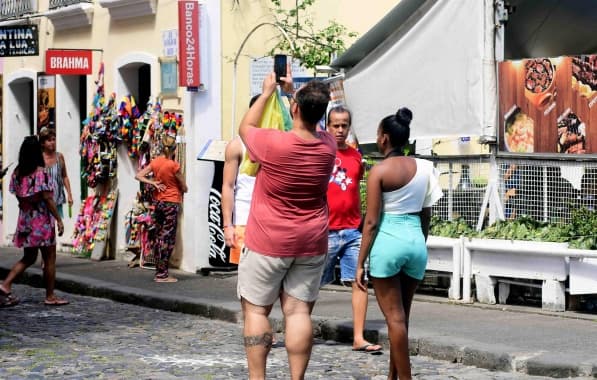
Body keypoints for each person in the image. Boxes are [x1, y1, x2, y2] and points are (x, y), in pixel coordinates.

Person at [237, 70, 336, 380]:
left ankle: (258, 378)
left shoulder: (273, 144)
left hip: (267, 240)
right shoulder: (328, 146)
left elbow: (246, 127)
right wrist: (294, 95)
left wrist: (268, 93)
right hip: (310, 241)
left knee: (256, 311)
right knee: (298, 312)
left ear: (296, 108)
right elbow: (309, 123)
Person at [356, 108, 443, 380]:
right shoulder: (425, 168)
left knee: (394, 319)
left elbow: (370, 222)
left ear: (383, 138)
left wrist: (360, 263)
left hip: (388, 241)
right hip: (415, 240)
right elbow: (426, 214)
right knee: (403, 318)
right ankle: (393, 376)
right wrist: (419, 243)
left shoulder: (379, 172)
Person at [320, 105, 382, 354]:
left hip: (352, 231)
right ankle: (296, 327)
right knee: (308, 284)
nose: (340, 130)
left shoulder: (356, 156)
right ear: (327, 126)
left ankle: (358, 336)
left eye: (344, 125)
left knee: (360, 280)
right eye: (335, 125)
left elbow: (355, 190)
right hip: (325, 230)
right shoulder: (320, 152)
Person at [0, 136, 66, 307]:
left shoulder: (17, 173)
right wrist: (58, 219)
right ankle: (50, 295)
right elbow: (48, 198)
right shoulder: (40, 173)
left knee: (29, 257)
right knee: (49, 257)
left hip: (25, 219)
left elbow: (17, 195)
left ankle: (6, 284)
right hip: (41, 220)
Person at [135, 135, 188, 283]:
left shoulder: (156, 162)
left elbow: (138, 175)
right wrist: (183, 187)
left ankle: (160, 271)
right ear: (174, 149)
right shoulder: (174, 165)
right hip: (171, 202)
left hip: (158, 202)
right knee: (168, 238)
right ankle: (162, 274)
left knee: (159, 236)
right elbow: (184, 186)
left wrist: (153, 183)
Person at [222, 94, 260, 264]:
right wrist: (228, 225)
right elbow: (228, 186)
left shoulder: (280, 140)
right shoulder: (237, 145)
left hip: (273, 219)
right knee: (246, 276)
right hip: (245, 220)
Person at [39, 127, 73, 219]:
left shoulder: (60, 157)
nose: (52, 142)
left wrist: (69, 195)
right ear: (43, 143)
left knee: (56, 225)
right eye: (49, 140)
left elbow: (64, 176)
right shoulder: (39, 159)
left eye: (54, 139)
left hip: (57, 199)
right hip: (43, 201)